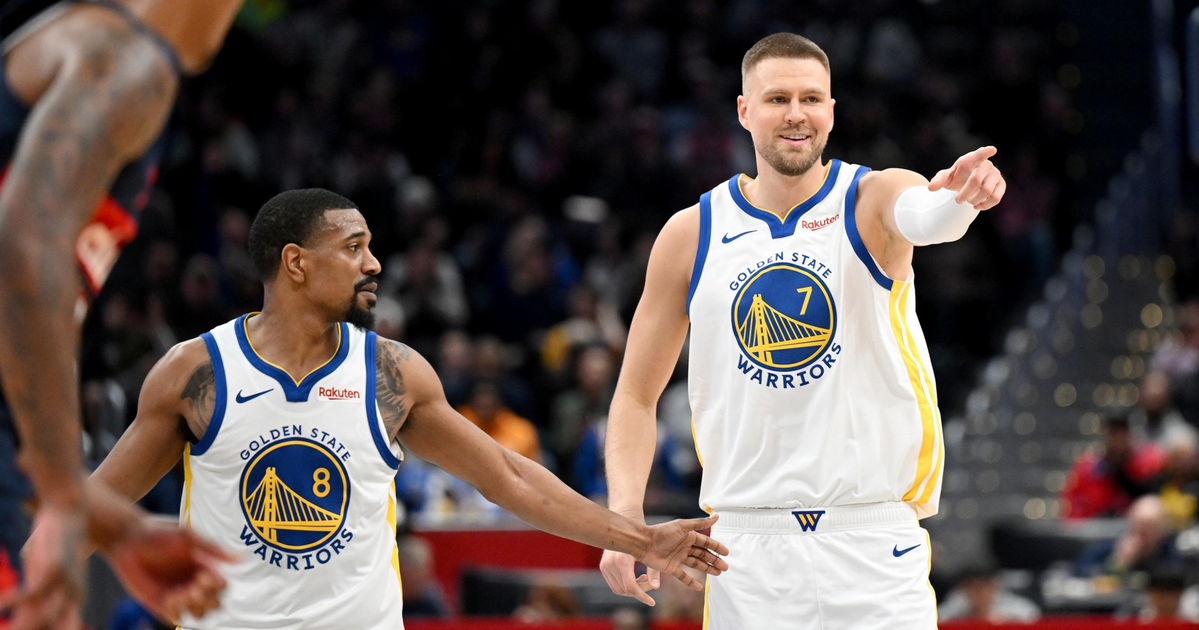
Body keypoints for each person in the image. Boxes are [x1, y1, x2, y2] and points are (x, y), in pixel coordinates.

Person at [86, 189, 729, 629]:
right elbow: (89, 510)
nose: (374, 263)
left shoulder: (392, 373)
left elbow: (507, 477)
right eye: (353, 247)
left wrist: (643, 539)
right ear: (296, 263)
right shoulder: (195, 374)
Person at [598, 33, 1007, 628]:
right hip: (744, 550)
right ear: (744, 110)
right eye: (777, 98)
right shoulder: (690, 234)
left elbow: (927, 215)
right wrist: (624, 519)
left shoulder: (871, 197)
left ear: (832, 111)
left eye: (812, 98)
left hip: (870, 541)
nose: (796, 114)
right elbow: (635, 395)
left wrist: (963, 199)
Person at [0, 0, 244, 627]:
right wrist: (62, 497)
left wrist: (116, 526)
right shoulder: (124, 59)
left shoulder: (82, 51)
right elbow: (21, 252)